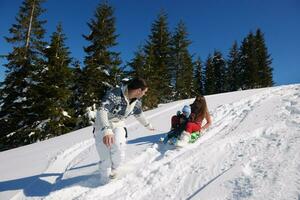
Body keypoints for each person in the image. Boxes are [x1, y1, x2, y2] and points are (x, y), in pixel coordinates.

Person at [93, 77, 154, 184]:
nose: (144, 94)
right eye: (144, 92)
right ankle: (104, 180)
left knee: (119, 145)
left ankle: (115, 169)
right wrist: (106, 130)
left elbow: (139, 114)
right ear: (139, 90)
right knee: (105, 157)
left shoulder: (137, 101)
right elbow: (102, 110)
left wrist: (148, 125)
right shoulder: (115, 94)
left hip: (118, 124)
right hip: (101, 126)